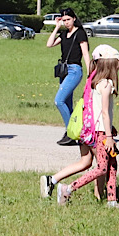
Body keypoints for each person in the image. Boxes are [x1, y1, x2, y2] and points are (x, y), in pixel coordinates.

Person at [55, 45, 119, 208]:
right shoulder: (106, 84)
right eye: (117, 62)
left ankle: (112, 200)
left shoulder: (95, 81)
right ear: (109, 64)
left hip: (98, 130)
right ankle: (68, 189)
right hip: (102, 133)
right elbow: (105, 112)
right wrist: (109, 137)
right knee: (102, 168)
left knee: (112, 165)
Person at [46, 8, 90, 145]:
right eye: (64, 20)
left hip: (74, 70)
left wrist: (90, 73)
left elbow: (85, 54)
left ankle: (71, 131)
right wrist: (56, 27)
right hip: (64, 71)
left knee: (59, 101)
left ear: (74, 19)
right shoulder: (64, 34)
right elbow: (49, 44)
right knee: (67, 102)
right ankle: (73, 132)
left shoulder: (80, 33)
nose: (66, 22)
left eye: (68, 20)